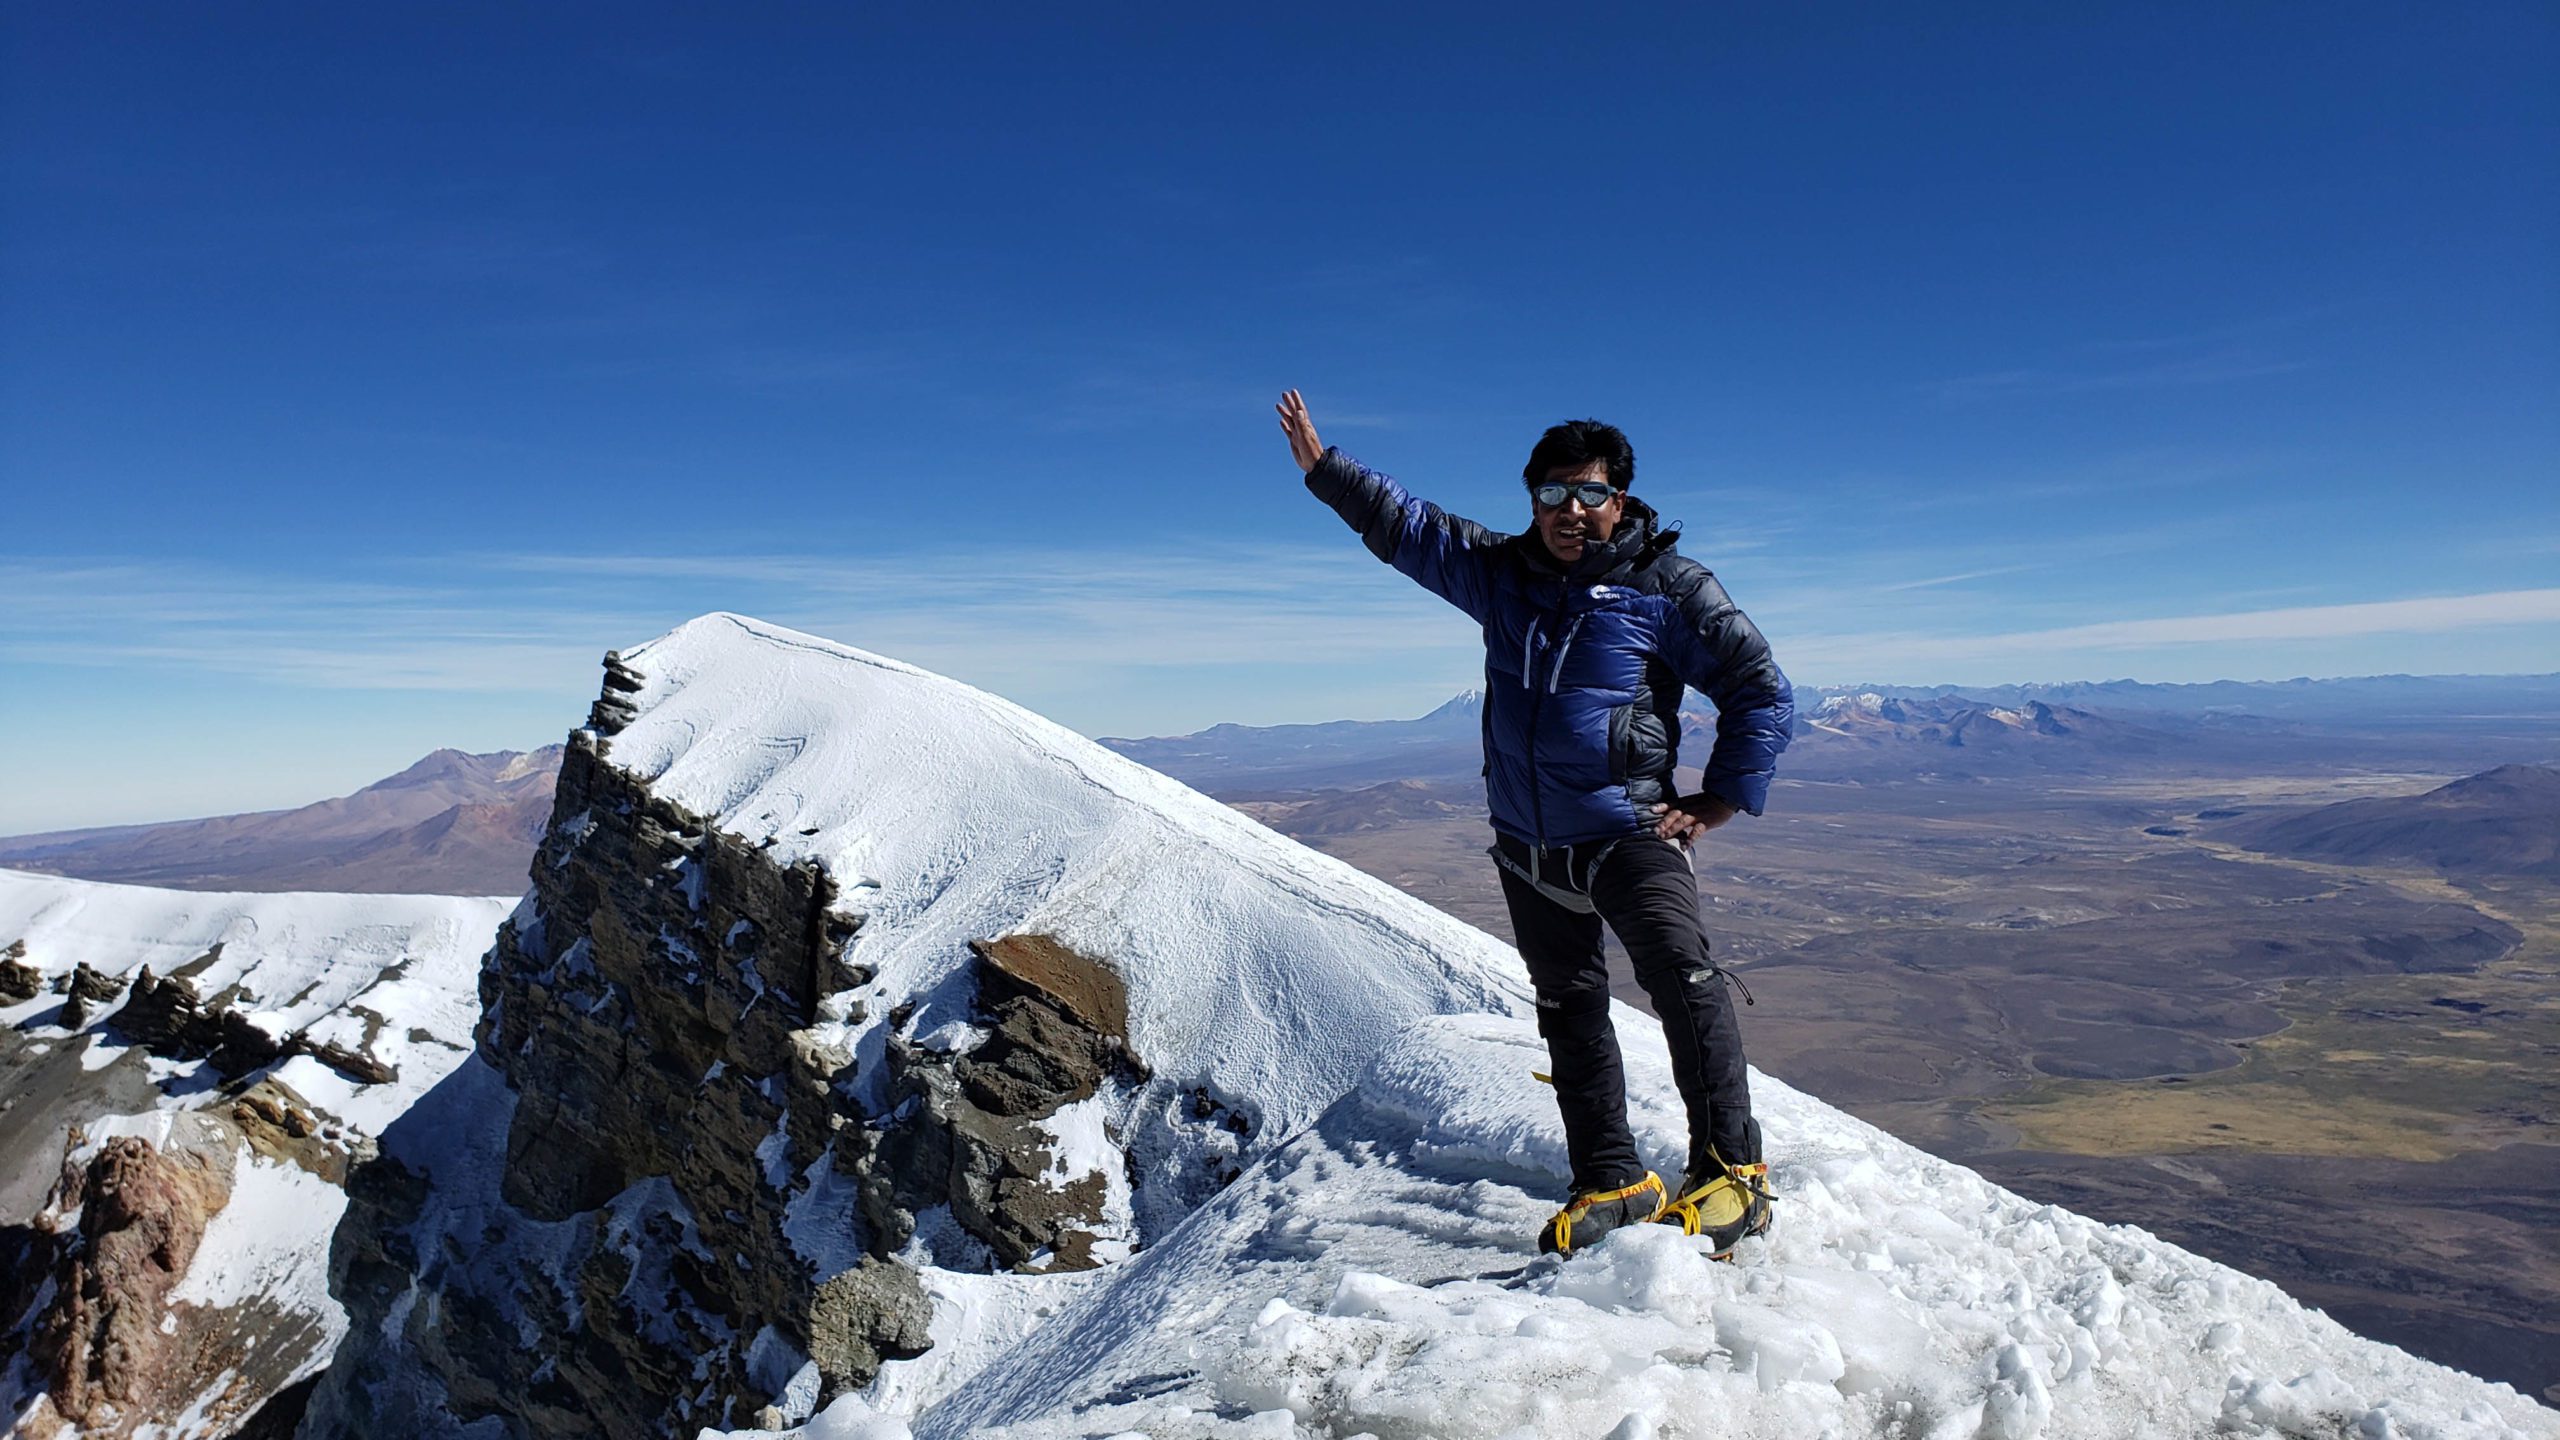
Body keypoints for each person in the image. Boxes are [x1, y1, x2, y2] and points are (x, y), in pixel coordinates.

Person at [1275, 389, 1794, 1258]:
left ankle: (1735, 1174)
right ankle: (1612, 1179)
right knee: (1569, 1008)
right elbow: (1416, 530)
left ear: (1619, 500)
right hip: (1527, 844)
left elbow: (1760, 687)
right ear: (1533, 503)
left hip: (1630, 830)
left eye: (1589, 494)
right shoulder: (1503, 574)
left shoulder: (1666, 588)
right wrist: (1328, 471)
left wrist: (1719, 798)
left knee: (1681, 977)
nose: (1570, 512)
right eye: (1552, 495)